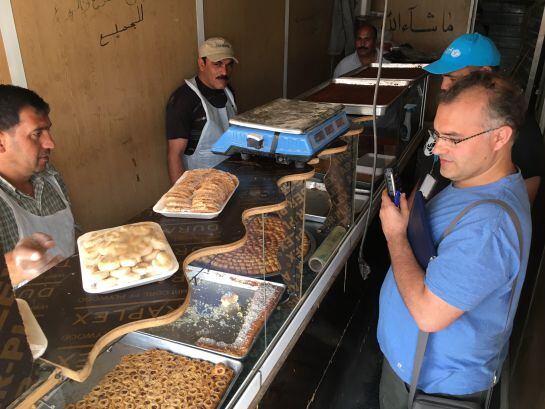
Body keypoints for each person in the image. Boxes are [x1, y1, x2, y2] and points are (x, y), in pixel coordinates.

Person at [377, 72, 531, 408]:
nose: (438, 147)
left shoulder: (490, 224)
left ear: (499, 137)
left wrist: (395, 237)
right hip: (411, 375)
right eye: (437, 134)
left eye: (453, 138)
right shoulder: (470, 181)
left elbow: (429, 314)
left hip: (433, 392)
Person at [419, 33, 545, 203]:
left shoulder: (521, 129)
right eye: (442, 76)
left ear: (484, 73)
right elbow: (429, 171)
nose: (444, 85)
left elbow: (520, 202)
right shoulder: (453, 112)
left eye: (453, 77)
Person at [0, 85, 75, 261]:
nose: (50, 143)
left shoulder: (49, 175)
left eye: (48, 131)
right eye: (37, 133)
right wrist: (15, 267)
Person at [166, 37, 238, 183]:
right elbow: (175, 155)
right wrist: (182, 199)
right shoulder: (184, 100)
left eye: (228, 65)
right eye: (217, 64)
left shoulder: (228, 91)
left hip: (232, 178)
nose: (224, 71)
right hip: (201, 187)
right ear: (201, 64)